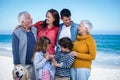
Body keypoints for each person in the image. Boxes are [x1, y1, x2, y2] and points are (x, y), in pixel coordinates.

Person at [12, 11, 37, 80]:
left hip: (34, 64)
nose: (31, 19)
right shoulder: (16, 33)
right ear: (23, 22)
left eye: (30, 17)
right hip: (22, 65)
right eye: (29, 18)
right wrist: (17, 63)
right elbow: (15, 50)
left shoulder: (35, 29)